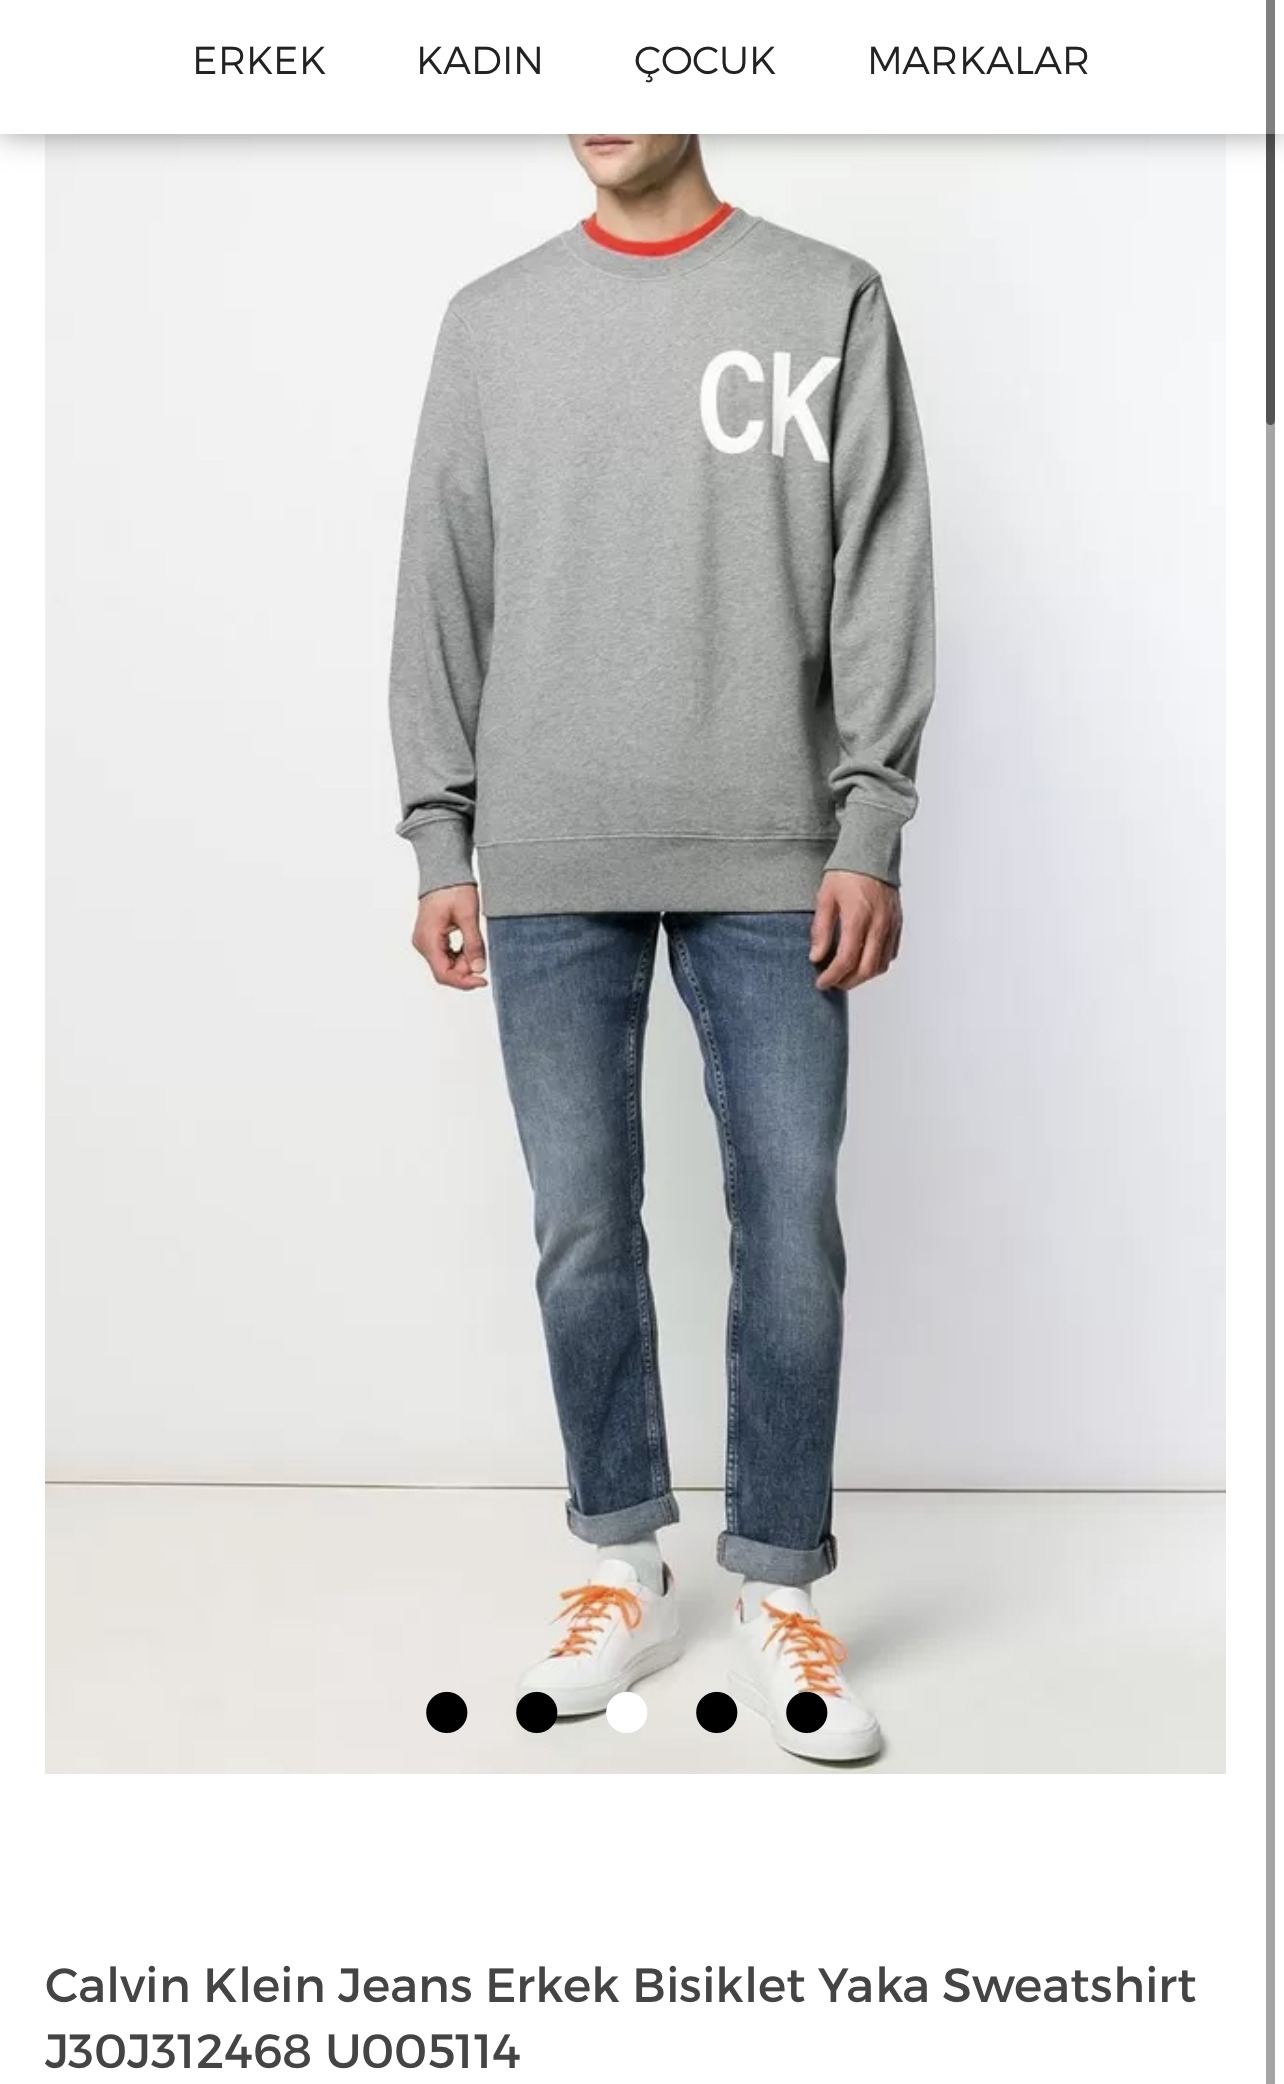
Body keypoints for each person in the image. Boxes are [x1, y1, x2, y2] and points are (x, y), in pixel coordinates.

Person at [389, 134, 934, 1762]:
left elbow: (881, 568)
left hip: (774, 849)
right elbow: (441, 582)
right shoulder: (493, 321)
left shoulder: (828, 299)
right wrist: (439, 833)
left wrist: (869, 824)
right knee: (580, 1226)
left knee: (791, 1228)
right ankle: (620, 1563)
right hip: (549, 852)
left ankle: (780, 1579)